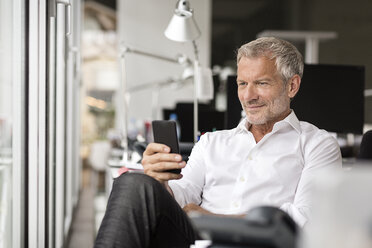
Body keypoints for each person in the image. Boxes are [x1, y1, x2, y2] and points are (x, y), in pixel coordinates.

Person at [94, 37, 342, 248]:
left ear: (292, 85)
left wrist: (210, 219)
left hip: (259, 242)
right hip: (195, 240)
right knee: (133, 181)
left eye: (261, 83)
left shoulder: (317, 145)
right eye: (242, 83)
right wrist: (160, 183)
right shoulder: (212, 142)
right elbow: (183, 193)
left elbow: (303, 219)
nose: (248, 96)